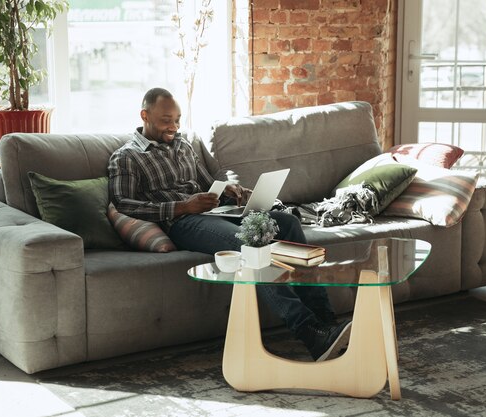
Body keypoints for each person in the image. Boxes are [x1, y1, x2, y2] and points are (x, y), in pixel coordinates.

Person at [108, 87, 351, 361]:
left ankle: (326, 322)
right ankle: (310, 333)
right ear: (145, 115)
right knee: (249, 241)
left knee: (287, 223)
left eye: (178, 119)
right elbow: (123, 203)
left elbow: (207, 184)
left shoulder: (183, 145)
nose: (174, 127)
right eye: (167, 120)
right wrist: (183, 206)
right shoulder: (127, 157)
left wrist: (229, 191)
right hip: (182, 222)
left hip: (215, 213)